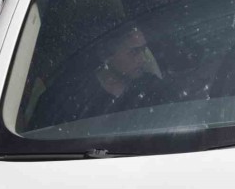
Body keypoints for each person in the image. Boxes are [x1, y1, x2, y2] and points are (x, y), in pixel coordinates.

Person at [29, 25, 162, 129]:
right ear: (107, 55)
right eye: (134, 52)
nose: (143, 59)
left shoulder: (151, 88)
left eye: (144, 50)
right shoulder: (70, 95)